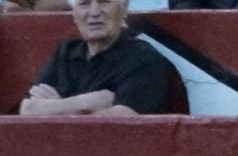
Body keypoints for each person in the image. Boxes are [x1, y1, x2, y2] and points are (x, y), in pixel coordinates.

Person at [19, 0, 175, 117]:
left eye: (104, 1)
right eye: (84, 3)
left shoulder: (144, 59)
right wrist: (88, 103)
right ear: (74, 14)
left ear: (124, 8)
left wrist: (54, 108)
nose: (94, 12)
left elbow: (122, 120)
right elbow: (27, 110)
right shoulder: (65, 52)